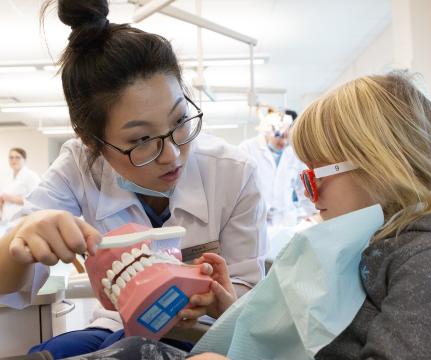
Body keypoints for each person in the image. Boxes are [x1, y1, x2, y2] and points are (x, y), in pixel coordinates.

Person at [0, 0, 266, 358]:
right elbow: (7, 282)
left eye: (179, 121)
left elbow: (249, 296)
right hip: (113, 325)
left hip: (206, 334)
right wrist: (24, 239)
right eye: (141, 140)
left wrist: (220, 298)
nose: (172, 154)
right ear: (91, 139)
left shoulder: (234, 173)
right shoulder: (79, 166)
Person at [192, 71, 431, 358]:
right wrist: (235, 311)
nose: (308, 193)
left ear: (380, 168)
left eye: (317, 175)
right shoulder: (367, 247)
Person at [239, 106, 313, 226]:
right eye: (280, 136)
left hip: (287, 221)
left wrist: (313, 214)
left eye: (288, 137)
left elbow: (303, 187)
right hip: (256, 220)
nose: (284, 142)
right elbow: (238, 187)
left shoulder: (293, 153)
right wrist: (257, 208)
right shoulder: (247, 149)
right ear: (268, 131)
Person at [0, 148, 40, 222]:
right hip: (6, 220)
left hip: (23, 220)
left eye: (17, 157)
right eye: (11, 157)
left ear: (24, 160)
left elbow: (36, 200)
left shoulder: (31, 176)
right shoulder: (8, 178)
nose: (13, 160)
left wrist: (12, 198)